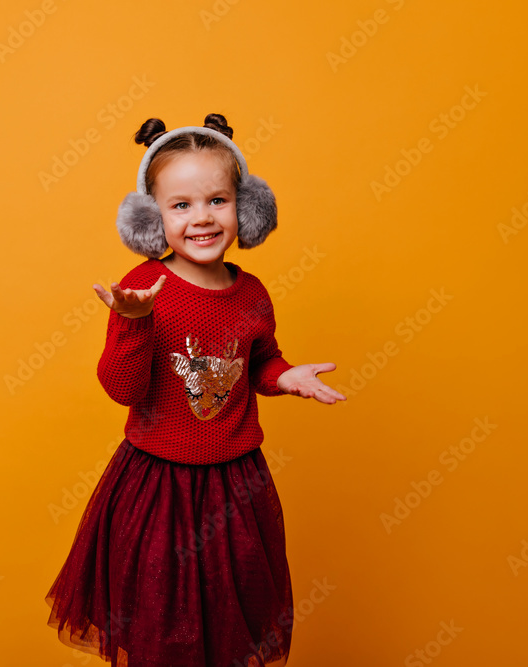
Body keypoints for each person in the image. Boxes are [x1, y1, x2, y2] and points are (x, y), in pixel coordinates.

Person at [44, 113, 346, 667]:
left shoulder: (252, 293)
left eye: (217, 201)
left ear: (245, 209)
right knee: (165, 627)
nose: (201, 218)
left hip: (237, 487)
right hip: (160, 488)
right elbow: (122, 387)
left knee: (232, 629)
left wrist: (285, 376)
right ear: (153, 219)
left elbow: (256, 364)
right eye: (180, 206)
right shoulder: (143, 287)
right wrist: (135, 324)